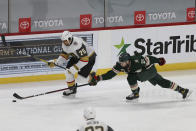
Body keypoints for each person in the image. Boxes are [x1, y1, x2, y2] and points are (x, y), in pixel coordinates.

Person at [88, 52, 192, 100]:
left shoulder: (137, 60)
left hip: (149, 71)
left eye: (124, 62)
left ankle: (135, 93)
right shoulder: (120, 65)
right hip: (143, 73)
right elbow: (110, 74)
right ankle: (183, 90)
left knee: (131, 77)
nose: (122, 64)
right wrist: (98, 78)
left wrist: (159, 60)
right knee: (162, 82)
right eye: (121, 62)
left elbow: (149, 58)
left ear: (129, 60)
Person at [48, 31, 96, 96]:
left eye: (66, 40)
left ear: (70, 38)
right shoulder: (65, 44)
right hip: (77, 56)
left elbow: (85, 60)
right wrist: (56, 62)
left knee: (80, 79)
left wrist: (75, 68)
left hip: (89, 57)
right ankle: (72, 89)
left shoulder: (77, 44)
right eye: (63, 41)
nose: (65, 42)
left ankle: (91, 78)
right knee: (68, 72)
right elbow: (65, 55)